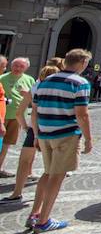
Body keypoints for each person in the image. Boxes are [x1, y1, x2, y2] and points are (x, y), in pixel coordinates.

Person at [28, 48, 93, 232]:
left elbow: (35, 110)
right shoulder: (80, 83)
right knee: (57, 176)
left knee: (47, 173)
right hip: (66, 134)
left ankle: (35, 213)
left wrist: (36, 134)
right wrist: (88, 139)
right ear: (82, 63)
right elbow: (82, 115)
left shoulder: (45, 81)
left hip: (45, 134)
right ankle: (43, 221)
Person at [2, 63, 59, 203]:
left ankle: (16, 193)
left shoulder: (35, 88)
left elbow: (19, 113)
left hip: (35, 129)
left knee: (24, 161)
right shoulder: (61, 89)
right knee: (51, 166)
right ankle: (44, 200)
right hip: (54, 129)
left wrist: (27, 128)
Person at [0, 57, 35, 178]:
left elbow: (35, 99)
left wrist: (27, 95)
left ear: (26, 68)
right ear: (11, 66)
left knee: (6, 143)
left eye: (21, 66)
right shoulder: (2, 78)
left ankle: (0, 167)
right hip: (2, 116)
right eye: (16, 65)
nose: (18, 68)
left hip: (17, 118)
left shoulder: (29, 80)